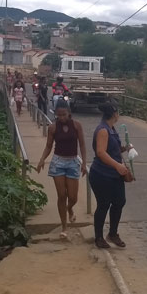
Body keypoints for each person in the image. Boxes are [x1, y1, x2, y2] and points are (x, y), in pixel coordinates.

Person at [36, 99, 87, 240]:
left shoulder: (77, 126)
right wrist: (41, 160)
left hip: (72, 161)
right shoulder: (53, 127)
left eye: (64, 114)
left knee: (73, 197)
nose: (62, 117)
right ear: (56, 114)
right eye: (59, 115)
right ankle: (64, 226)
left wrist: (84, 162)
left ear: (69, 113)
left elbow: (82, 145)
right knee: (61, 195)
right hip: (58, 162)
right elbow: (48, 146)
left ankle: (70, 209)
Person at [89, 101, 133, 249]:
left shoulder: (111, 129)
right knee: (103, 205)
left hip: (114, 175)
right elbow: (101, 152)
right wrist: (117, 165)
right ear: (115, 114)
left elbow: (111, 150)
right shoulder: (103, 130)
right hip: (102, 174)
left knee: (119, 202)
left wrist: (125, 148)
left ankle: (113, 233)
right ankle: (99, 237)